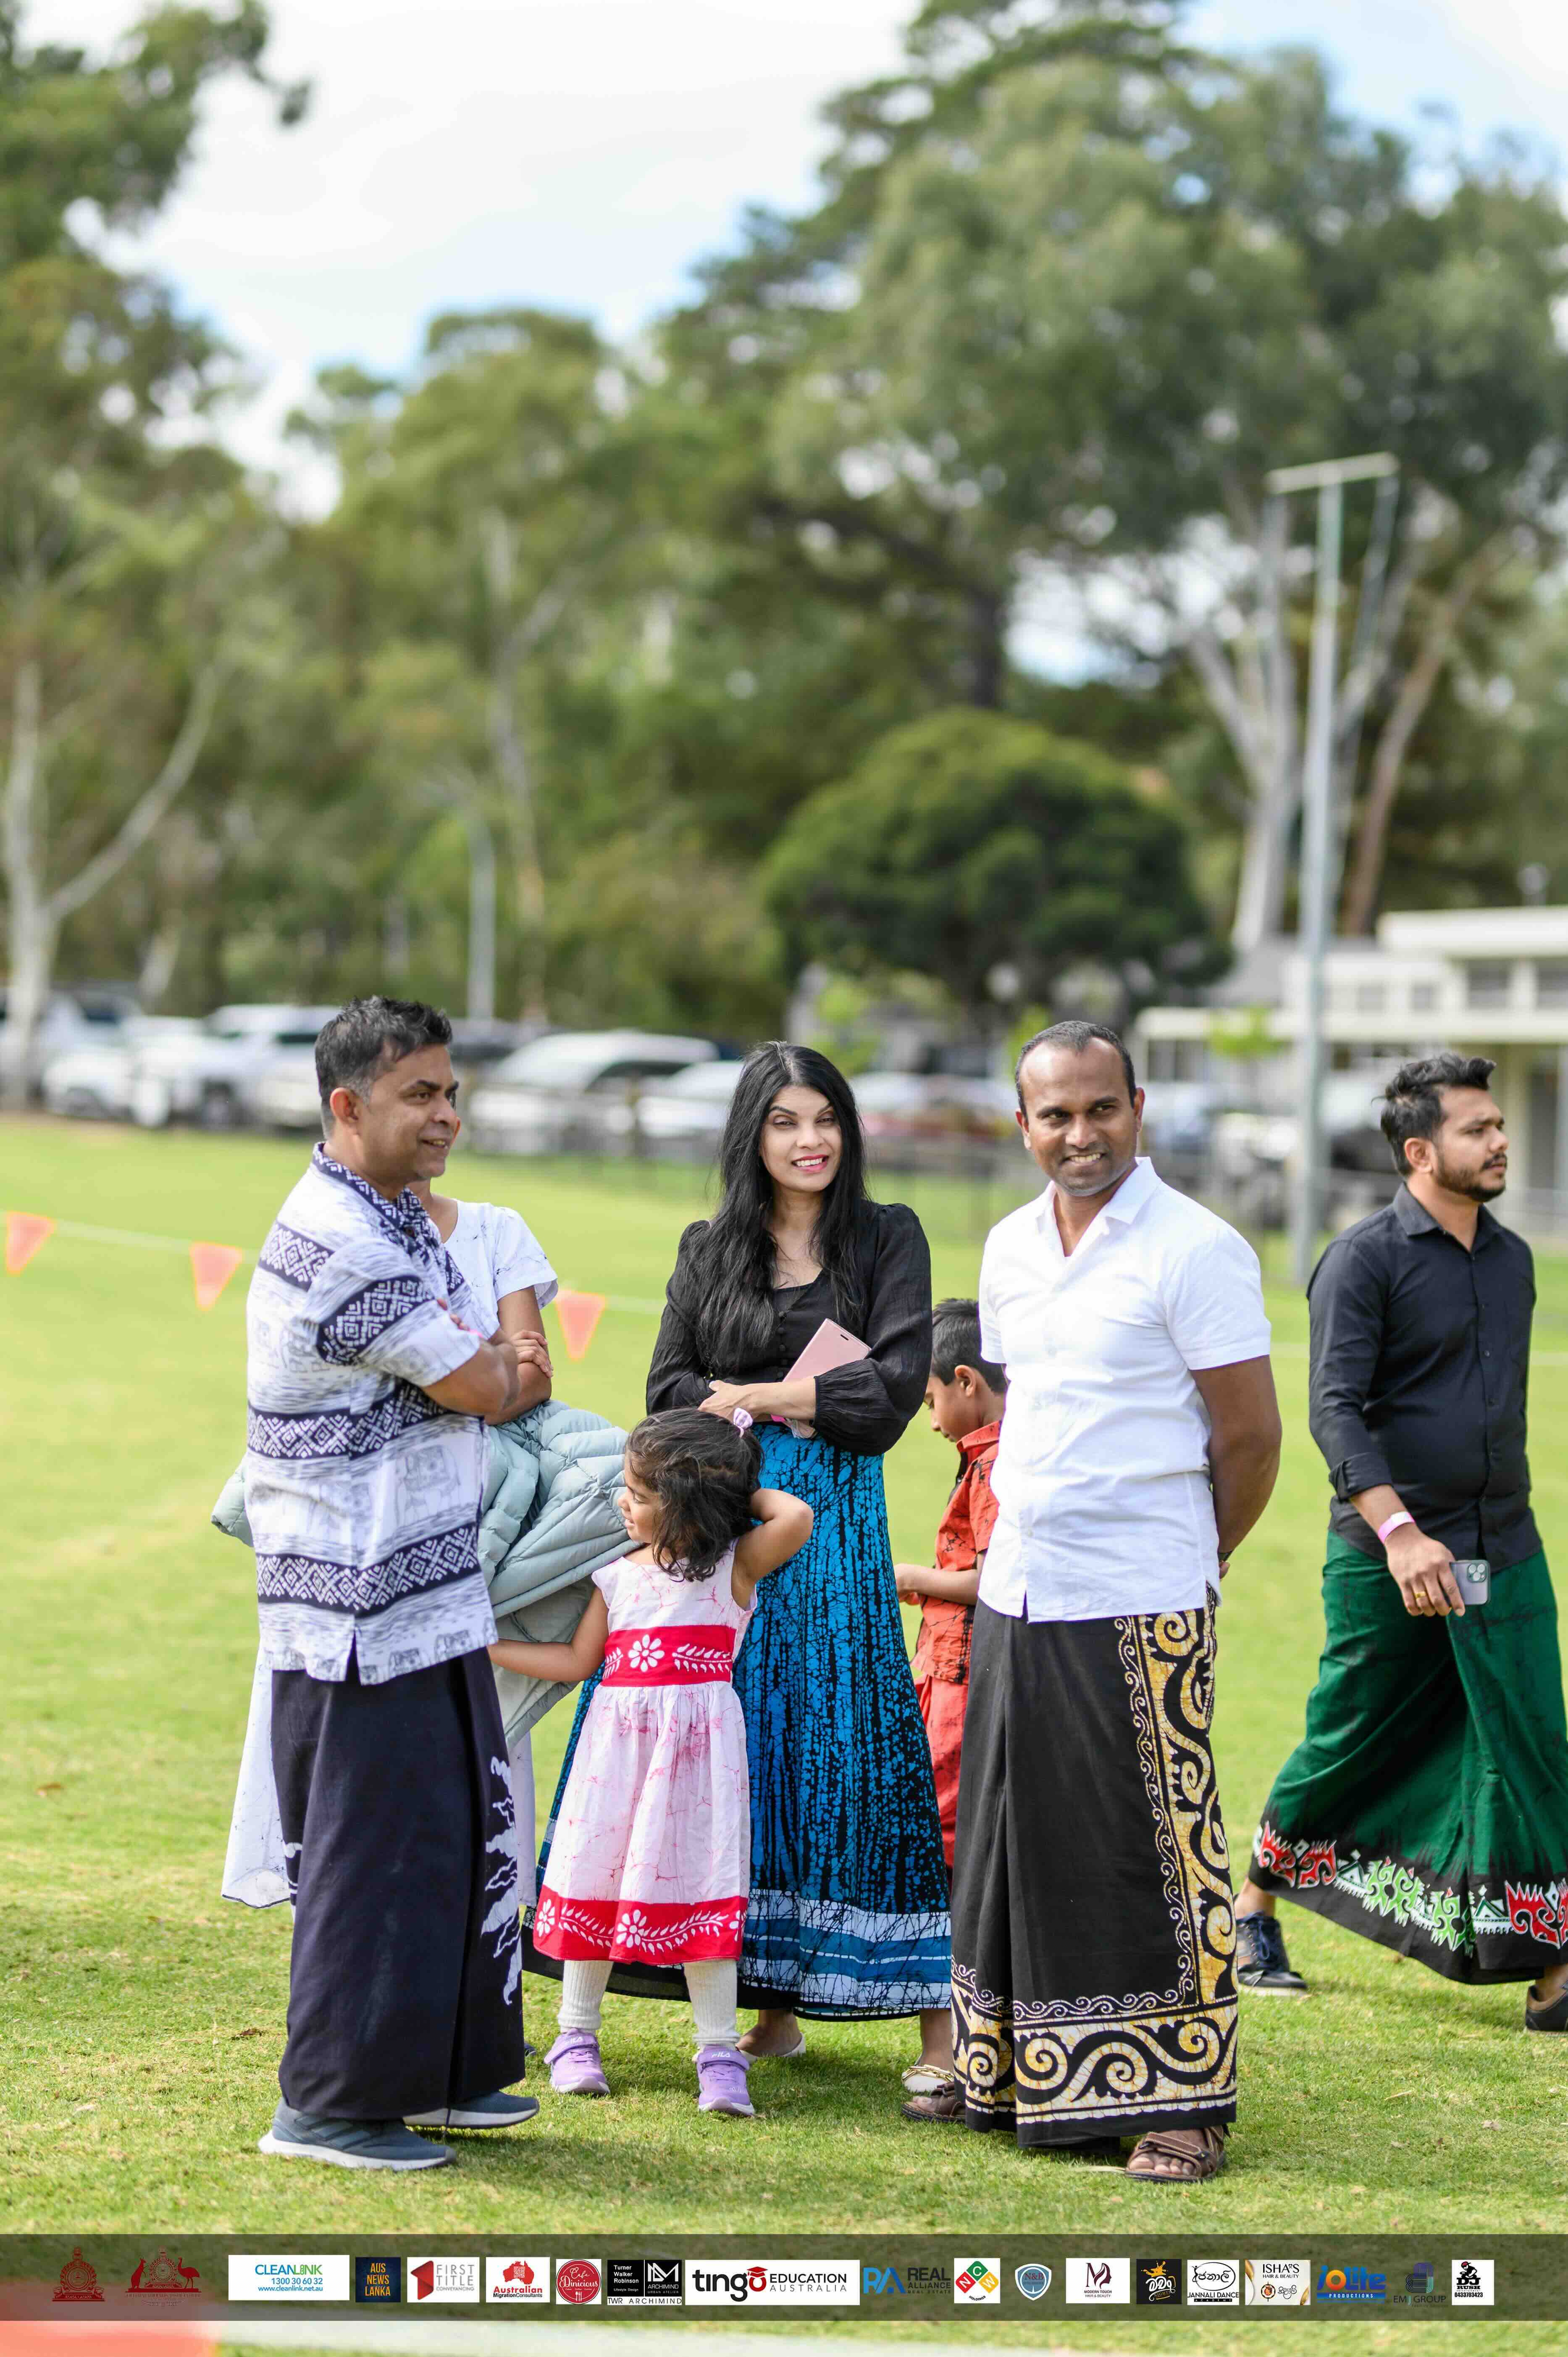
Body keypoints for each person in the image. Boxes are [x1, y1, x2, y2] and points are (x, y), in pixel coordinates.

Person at [531, 1043, 950, 2078]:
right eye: (785, 1122)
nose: (810, 1141)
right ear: (750, 1136)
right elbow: (666, 1390)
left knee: (845, 1741)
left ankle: (935, 2028)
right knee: (721, 1743)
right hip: (713, 1526)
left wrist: (757, 1396)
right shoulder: (708, 1247)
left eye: (826, 1119)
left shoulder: (887, 1237)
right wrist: (771, 1405)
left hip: (832, 1527)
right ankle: (759, 2007)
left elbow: (892, 1394)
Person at [944, 1020, 1281, 2183]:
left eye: (1100, 1109)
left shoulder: (1195, 1248)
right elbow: (1027, 1405)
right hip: (1019, 1583)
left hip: (1140, 1589)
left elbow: (1249, 1439)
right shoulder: (1007, 1246)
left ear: (1137, 1108)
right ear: (1022, 1122)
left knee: (1152, 1852)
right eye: (1055, 1114)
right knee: (1016, 1836)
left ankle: (1180, 2104)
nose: (1078, 1133)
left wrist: (1194, 1555)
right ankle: (1013, 2072)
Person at [245, 995, 533, 2171]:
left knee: (454, 1830)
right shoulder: (348, 1242)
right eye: (420, 1095)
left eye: (451, 1092)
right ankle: (326, 2108)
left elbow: (482, 1363)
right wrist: (494, 1362)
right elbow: (490, 1381)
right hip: (358, 1606)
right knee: (377, 1854)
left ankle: (441, 2074)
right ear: (347, 1105)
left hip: (426, 1588)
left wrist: (486, 1360)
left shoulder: (394, 1214)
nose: (447, 1115)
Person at [1236, 1053, 1568, 2020]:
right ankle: (1252, 1905)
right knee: (1355, 1733)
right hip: (1390, 1552)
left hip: (1504, 1543)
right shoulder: (1363, 1258)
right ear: (1420, 1152)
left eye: (1498, 1125)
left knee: (1529, 1740)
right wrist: (1399, 1531)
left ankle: (1551, 1965)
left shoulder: (1512, 1261)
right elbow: (1333, 1410)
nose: (1500, 1141)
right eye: (1478, 1130)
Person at [491, 1409, 812, 2117]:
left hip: (700, 1766)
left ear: (684, 1501)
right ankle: (575, 2036)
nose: (622, 1502)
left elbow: (793, 1515)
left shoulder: (735, 1566)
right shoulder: (615, 1576)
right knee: (596, 1872)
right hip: (616, 1757)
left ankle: (718, 2050)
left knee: (702, 1880)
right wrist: (485, 1643)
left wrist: (719, 1483)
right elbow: (576, 1661)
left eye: (637, 1494)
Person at [412, 1171, 558, 1895]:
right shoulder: (344, 1228)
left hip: (481, 1515)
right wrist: (487, 1370)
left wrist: (442, 1392)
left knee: (484, 1709)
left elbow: (533, 1377)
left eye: (448, 1109)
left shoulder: (494, 1228)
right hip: (381, 1518)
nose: (442, 1119)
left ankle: (490, 1907)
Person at [894, 1297, 1006, 1881]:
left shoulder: (995, 1465)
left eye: (931, 1401)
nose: (933, 1421)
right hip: (943, 1662)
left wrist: (913, 1578)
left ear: (966, 1381)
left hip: (962, 1674)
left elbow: (993, 1579)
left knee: (941, 1816)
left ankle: (949, 1934)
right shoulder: (984, 1457)